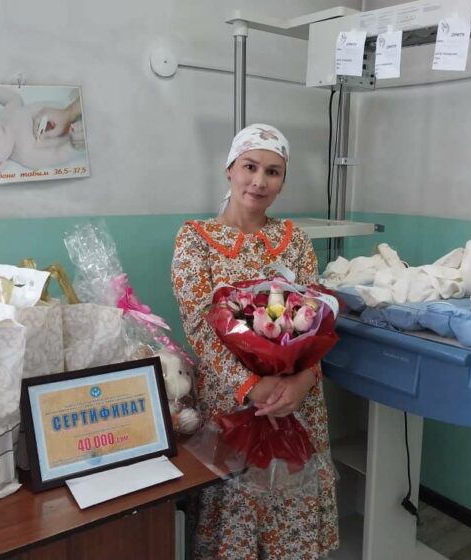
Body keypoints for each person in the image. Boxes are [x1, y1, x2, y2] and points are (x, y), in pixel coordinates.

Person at [171, 123, 339, 559]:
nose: (259, 181)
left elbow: (316, 320)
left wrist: (304, 379)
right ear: (229, 169)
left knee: (291, 506)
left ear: (282, 181)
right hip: (232, 404)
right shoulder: (196, 241)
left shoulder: (295, 241)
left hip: (297, 404)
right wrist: (251, 386)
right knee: (236, 508)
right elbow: (199, 326)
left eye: (273, 172)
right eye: (250, 167)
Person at [0, 86, 85, 172]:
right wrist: (72, 146)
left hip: (72, 106)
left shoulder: (4, 117)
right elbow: (57, 154)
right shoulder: (26, 155)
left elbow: (15, 99)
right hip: (76, 133)